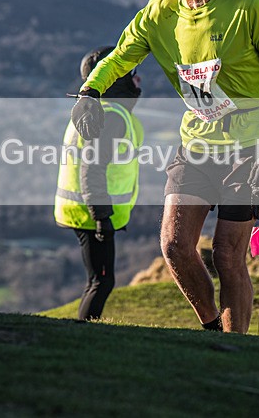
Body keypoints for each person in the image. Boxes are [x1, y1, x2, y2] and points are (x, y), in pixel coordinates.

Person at [70, 0, 259, 333]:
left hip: (252, 144)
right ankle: (212, 331)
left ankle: (236, 348)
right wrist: (90, 92)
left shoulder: (250, 5)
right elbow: (121, 56)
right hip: (197, 140)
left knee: (227, 255)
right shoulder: (160, 11)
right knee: (175, 246)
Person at [55, 46, 144, 321]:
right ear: (116, 78)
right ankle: (82, 338)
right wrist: (102, 216)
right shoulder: (111, 117)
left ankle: (83, 335)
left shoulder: (96, 111)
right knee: (101, 282)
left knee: (98, 280)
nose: (138, 80)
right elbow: (92, 169)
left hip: (85, 210)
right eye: (132, 73)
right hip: (90, 214)